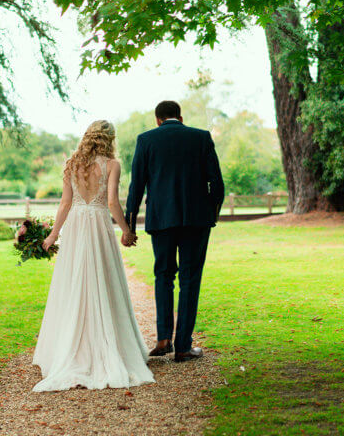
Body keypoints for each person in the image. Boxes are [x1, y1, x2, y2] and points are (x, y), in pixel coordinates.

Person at [33, 120, 155, 391]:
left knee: (74, 282)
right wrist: (126, 231)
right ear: (110, 139)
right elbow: (112, 202)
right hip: (98, 225)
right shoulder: (112, 165)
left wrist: (53, 235)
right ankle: (104, 344)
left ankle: (70, 348)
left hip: (76, 225)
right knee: (103, 279)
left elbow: (65, 203)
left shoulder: (72, 163)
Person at [124, 101, 224, 362]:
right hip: (197, 221)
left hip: (161, 219)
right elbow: (217, 183)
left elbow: (137, 185)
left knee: (163, 276)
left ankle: (163, 338)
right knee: (190, 280)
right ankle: (183, 346)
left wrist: (130, 224)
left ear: (158, 119)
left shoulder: (146, 140)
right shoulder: (201, 137)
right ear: (180, 117)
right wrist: (210, 214)